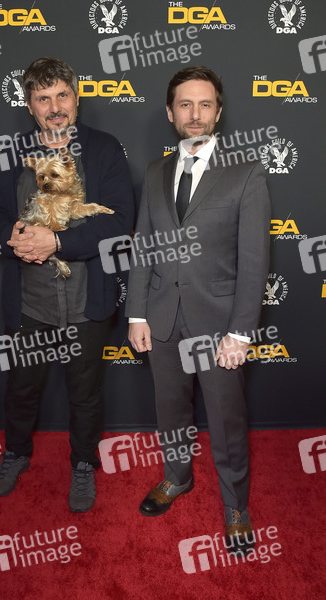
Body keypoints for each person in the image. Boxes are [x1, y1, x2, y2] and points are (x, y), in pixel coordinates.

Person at [125, 66, 270, 553]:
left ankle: (236, 505)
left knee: (227, 419)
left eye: (205, 104)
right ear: (170, 113)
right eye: (185, 104)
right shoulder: (155, 172)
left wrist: (241, 332)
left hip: (218, 323)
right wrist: (137, 314)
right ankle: (178, 476)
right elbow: (144, 247)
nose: (195, 114)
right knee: (170, 409)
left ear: (218, 112)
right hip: (162, 316)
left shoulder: (246, 173)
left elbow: (254, 259)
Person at [0, 57, 134, 512]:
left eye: (62, 95)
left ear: (76, 97)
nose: (55, 107)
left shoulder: (105, 149)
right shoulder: (11, 153)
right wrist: (14, 239)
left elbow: (119, 222)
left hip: (88, 301)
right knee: (21, 389)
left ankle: (83, 462)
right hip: (30, 302)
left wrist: (58, 242)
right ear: (29, 105)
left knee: (85, 394)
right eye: (43, 98)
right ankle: (15, 453)